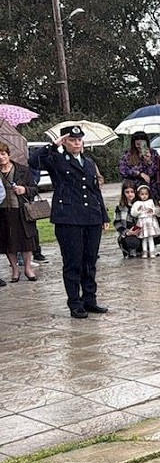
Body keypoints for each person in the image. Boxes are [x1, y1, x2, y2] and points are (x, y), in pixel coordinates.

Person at [30, 125, 110, 319]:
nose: (76, 143)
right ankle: (75, 303)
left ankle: (89, 299)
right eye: (72, 140)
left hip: (91, 216)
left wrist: (103, 215)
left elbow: (94, 190)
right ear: (64, 141)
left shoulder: (89, 162)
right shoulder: (56, 159)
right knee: (73, 262)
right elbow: (33, 161)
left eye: (79, 140)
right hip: (69, 217)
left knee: (90, 261)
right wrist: (53, 145)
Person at [0, 143, 39, 282]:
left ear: (8, 154)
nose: (1, 157)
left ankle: (28, 268)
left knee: (26, 241)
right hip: (3, 211)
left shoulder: (22, 170)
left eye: (3, 154)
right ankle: (15, 270)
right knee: (8, 242)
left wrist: (24, 190)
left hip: (21, 210)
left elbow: (34, 188)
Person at [119, 131, 160, 196]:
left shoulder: (153, 153)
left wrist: (149, 161)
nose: (140, 147)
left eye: (142, 145)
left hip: (149, 189)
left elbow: (156, 171)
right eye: (138, 145)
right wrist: (138, 173)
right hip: (134, 188)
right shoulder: (128, 154)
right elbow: (122, 170)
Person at [131, 185, 160, 259]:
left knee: (150, 238)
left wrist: (153, 210)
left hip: (150, 222)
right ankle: (144, 251)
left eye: (146, 194)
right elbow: (133, 214)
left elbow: (157, 210)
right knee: (144, 238)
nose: (144, 196)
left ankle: (152, 251)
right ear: (139, 195)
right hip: (142, 222)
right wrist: (138, 210)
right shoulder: (137, 203)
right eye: (142, 194)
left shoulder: (151, 201)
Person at [114, 183, 143, 258]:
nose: (130, 194)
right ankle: (129, 250)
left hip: (142, 232)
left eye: (132, 192)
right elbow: (117, 223)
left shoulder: (141, 204)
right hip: (127, 233)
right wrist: (127, 232)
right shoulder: (120, 207)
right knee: (132, 241)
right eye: (127, 192)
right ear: (123, 193)